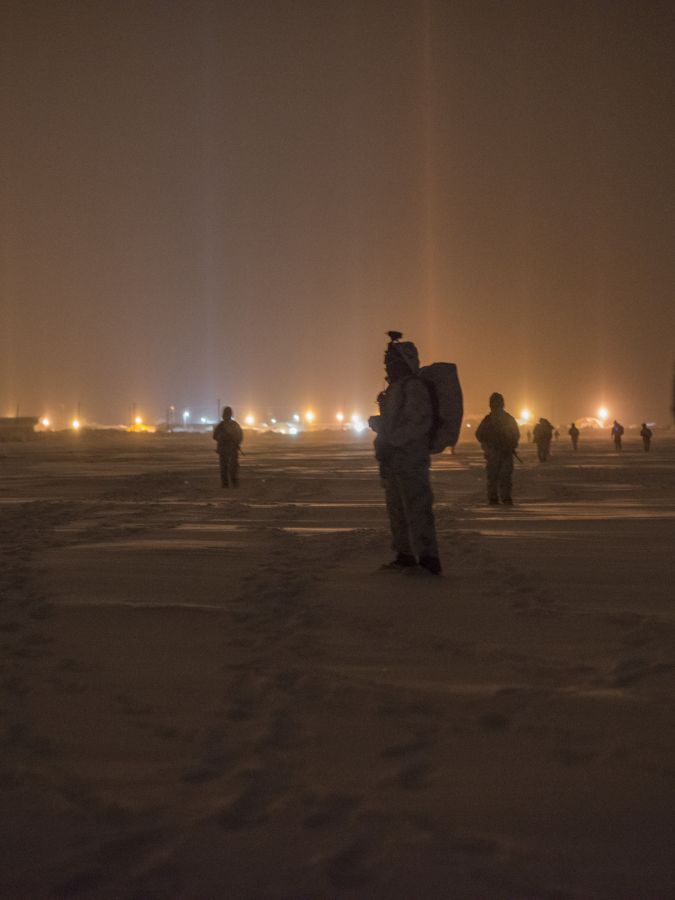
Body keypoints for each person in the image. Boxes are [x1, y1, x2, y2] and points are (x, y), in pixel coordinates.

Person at [368, 333, 441, 575]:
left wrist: (392, 438)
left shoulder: (414, 387)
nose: (388, 365)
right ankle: (405, 555)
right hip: (394, 461)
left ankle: (428, 560)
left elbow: (418, 423)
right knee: (397, 510)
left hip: (410, 460)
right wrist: (380, 425)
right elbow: (396, 423)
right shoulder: (396, 389)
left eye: (392, 361)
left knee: (417, 510)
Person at [475, 393, 520, 505]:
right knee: (503, 477)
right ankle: (504, 498)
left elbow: (479, 434)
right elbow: (516, 435)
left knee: (494, 477)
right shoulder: (507, 419)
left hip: (496, 452)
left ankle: (494, 498)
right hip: (499, 452)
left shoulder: (489, 419)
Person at [213, 406, 243, 487]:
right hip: (230, 449)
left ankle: (226, 484)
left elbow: (214, 436)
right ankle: (233, 483)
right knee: (232, 467)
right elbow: (240, 436)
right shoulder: (234, 425)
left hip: (225, 449)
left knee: (225, 467)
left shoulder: (221, 425)